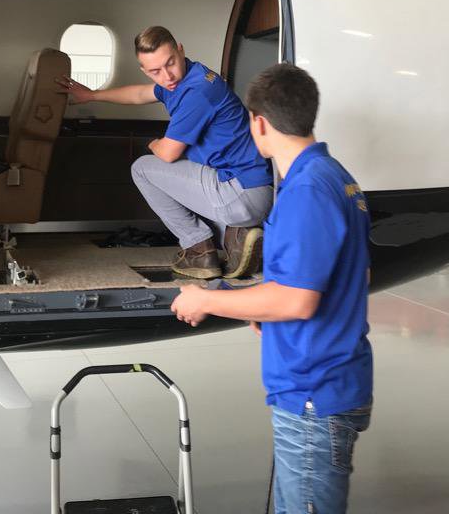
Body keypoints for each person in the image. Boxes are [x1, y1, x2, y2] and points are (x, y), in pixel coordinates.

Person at [169, 63, 372, 514]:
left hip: (313, 395)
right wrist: (261, 314)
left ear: (258, 123)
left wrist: (206, 299)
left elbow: (296, 299)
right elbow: (331, 280)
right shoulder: (333, 177)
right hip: (322, 382)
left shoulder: (307, 192)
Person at [57, 26, 273, 279]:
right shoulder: (186, 79)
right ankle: (236, 235)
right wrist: (91, 96)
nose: (167, 76)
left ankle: (199, 249)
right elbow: (139, 94)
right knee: (181, 172)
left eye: (170, 63)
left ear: (180, 51)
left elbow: (168, 153)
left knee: (143, 168)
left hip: (241, 193)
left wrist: (154, 143)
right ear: (145, 70)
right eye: (155, 71)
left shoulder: (196, 92)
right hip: (246, 189)